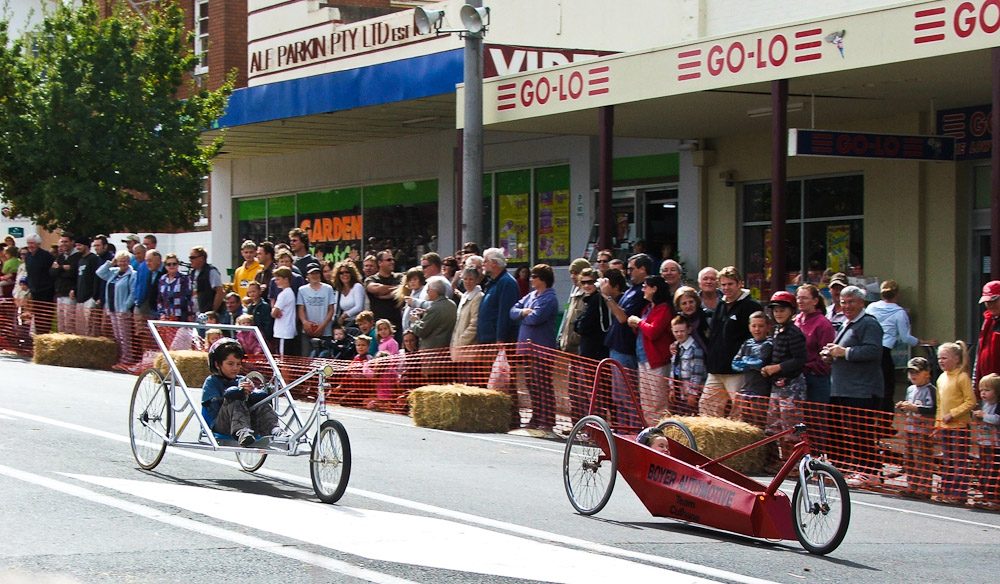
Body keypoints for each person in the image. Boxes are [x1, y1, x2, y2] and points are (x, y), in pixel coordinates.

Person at [822, 284, 885, 488]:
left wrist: (844, 352)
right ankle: (853, 469)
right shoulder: (846, 323)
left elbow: (874, 351)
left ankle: (870, 472)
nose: (846, 306)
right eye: (843, 302)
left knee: (862, 432)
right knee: (846, 431)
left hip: (862, 390)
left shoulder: (869, 323)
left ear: (861, 303)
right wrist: (831, 354)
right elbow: (842, 350)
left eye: (851, 302)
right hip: (843, 388)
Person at [202, 338, 288, 447]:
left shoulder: (242, 379)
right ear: (217, 364)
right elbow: (212, 407)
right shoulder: (212, 381)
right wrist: (236, 393)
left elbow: (256, 398)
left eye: (238, 364)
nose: (235, 368)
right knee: (234, 396)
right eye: (230, 364)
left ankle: (275, 430)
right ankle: (242, 432)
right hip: (220, 424)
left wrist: (253, 393)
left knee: (261, 399)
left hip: (249, 422)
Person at [700, 266, 762, 419]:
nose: (726, 288)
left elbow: (756, 338)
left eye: (730, 284)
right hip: (715, 369)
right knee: (706, 406)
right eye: (723, 284)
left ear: (740, 283)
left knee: (740, 412)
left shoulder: (751, 306)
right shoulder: (720, 304)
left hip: (737, 371)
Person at [866, 279, 934, 412]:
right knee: (887, 388)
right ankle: (886, 423)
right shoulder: (899, 312)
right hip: (884, 351)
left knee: (870, 387)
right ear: (897, 295)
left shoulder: (871, 307)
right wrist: (922, 342)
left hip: (870, 349)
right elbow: (905, 337)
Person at [603, 253, 652, 427]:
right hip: (616, 347)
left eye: (632, 269)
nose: (628, 272)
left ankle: (631, 431)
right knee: (619, 397)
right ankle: (623, 431)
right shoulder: (631, 289)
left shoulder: (641, 293)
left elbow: (623, 317)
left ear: (643, 269)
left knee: (628, 396)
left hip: (626, 350)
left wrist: (608, 296)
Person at [509, 264, 559, 431]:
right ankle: (536, 415)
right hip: (526, 348)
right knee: (531, 383)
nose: (531, 279)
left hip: (542, 348)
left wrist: (524, 315)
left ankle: (547, 418)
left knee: (543, 383)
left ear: (542, 279)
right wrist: (524, 312)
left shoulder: (550, 298)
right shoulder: (531, 296)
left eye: (534, 277)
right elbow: (513, 311)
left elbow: (536, 318)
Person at [627, 275, 675, 425]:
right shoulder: (648, 308)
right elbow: (645, 331)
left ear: (654, 289)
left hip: (656, 361)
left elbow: (653, 332)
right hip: (643, 358)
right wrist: (637, 325)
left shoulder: (664, 308)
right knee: (646, 402)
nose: (643, 289)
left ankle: (661, 434)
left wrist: (638, 322)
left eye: (645, 286)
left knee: (658, 402)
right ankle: (650, 433)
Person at [760, 291, 807, 439]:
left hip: (792, 386)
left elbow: (800, 359)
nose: (778, 313)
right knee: (774, 427)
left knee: (791, 429)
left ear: (792, 311)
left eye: (782, 310)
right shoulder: (776, 330)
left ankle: (796, 460)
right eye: (775, 310)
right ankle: (779, 460)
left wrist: (776, 368)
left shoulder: (794, 332)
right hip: (777, 385)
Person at [934, 341, 976, 503]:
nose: (941, 361)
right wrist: (938, 424)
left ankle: (959, 494)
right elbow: (939, 404)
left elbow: (970, 401)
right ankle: (947, 490)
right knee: (948, 460)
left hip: (959, 427)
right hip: (945, 428)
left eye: (945, 358)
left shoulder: (962, 377)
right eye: (939, 358)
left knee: (959, 461)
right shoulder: (941, 378)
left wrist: (953, 414)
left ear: (957, 359)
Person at [895, 357, 937, 499]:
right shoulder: (910, 389)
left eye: (917, 372)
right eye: (911, 372)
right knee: (910, 459)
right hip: (910, 429)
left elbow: (932, 409)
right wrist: (903, 407)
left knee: (922, 460)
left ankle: (924, 488)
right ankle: (912, 485)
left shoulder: (930, 390)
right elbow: (909, 407)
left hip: (923, 432)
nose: (913, 375)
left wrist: (915, 408)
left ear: (927, 373)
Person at [730, 311, 772, 428]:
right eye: (754, 326)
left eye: (761, 326)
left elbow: (760, 362)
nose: (757, 329)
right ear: (749, 327)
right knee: (743, 423)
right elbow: (735, 364)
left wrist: (746, 360)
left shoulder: (769, 344)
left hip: (761, 392)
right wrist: (749, 361)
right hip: (746, 390)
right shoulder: (747, 343)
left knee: (760, 425)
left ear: (768, 327)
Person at [96, 251, 136, 362]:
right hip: (112, 309)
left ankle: (127, 358)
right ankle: (120, 357)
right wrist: (110, 263)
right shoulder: (113, 272)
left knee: (125, 336)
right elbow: (99, 272)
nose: (122, 263)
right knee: (117, 336)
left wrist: (125, 307)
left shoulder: (132, 274)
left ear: (129, 261)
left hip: (122, 311)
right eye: (120, 260)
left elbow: (133, 293)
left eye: (125, 260)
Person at [478, 248, 520, 344]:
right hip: (486, 339)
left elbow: (505, 312)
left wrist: (501, 338)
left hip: (497, 342)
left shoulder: (507, 283)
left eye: (485, 261)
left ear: (494, 263)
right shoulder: (492, 282)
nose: (483, 264)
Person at [973, 373, 1000, 508]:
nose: (983, 393)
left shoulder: (997, 406)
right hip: (983, 442)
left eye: (987, 390)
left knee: (993, 471)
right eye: (981, 390)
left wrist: (984, 416)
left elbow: (996, 419)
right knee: (983, 469)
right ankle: (985, 494)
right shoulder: (984, 405)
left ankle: (993, 497)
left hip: (994, 445)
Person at [670, 315, 706, 415]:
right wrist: (672, 388)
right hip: (679, 392)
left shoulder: (695, 348)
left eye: (682, 331)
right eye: (676, 332)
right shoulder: (676, 347)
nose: (679, 334)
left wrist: (693, 393)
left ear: (689, 330)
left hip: (692, 392)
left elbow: (697, 373)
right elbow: (673, 369)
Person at [364, 249, 403, 341]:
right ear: (380, 263)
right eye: (389, 260)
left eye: (392, 259)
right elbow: (375, 289)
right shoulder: (372, 279)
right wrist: (397, 289)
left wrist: (385, 293)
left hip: (397, 326)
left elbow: (406, 290)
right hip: (379, 327)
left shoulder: (399, 277)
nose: (392, 262)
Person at [410, 276, 457, 351]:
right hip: (446, 348)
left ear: (435, 291)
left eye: (428, 290)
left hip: (432, 351)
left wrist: (415, 320)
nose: (427, 292)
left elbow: (421, 331)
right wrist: (425, 313)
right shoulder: (452, 304)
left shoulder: (434, 308)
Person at [297, 263, 335, 353]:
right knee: (307, 357)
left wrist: (322, 326)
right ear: (307, 276)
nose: (315, 276)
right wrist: (305, 322)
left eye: (317, 273)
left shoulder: (328, 288)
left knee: (325, 357)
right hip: (308, 330)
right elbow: (301, 308)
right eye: (312, 273)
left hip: (325, 330)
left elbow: (331, 309)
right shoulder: (302, 290)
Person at [23, 233, 55, 335]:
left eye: (32, 243)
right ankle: (39, 335)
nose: (30, 245)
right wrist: (25, 282)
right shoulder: (28, 256)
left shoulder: (46, 255)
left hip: (46, 289)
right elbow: (29, 272)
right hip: (34, 289)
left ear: (38, 244)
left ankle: (46, 333)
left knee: (46, 314)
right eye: (28, 243)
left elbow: (52, 271)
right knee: (37, 314)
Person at [558, 258, 590, 357]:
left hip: (580, 348)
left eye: (576, 273)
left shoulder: (589, 294)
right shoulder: (574, 290)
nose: (572, 276)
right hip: (569, 347)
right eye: (571, 273)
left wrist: (573, 340)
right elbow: (567, 313)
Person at [450, 268, 483, 361]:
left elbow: (474, 324)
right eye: (465, 279)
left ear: (477, 280)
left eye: (471, 279)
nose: (468, 282)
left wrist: (460, 342)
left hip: (469, 350)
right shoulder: (465, 295)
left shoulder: (478, 297)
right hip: (459, 349)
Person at [51, 234, 79, 334]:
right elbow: (52, 272)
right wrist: (63, 268)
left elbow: (73, 273)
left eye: (66, 241)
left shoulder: (78, 256)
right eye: (62, 242)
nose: (63, 244)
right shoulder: (60, 257)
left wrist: (58, 269)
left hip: (70, 295)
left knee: (70, 324)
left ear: (72, 242)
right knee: (61, 325)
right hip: (59, 294)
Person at [974, 280, 1000, 387]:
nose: (990, 305)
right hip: (988, 388)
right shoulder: (988, 321)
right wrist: (975, 385)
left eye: (994, 300)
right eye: (987, 301)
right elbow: (979, 354)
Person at [673, 286, 710, 354]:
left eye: (691, 302)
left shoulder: (707, 316)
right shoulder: (679, 321)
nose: (688, 306)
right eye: (684, 303)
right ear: (679, 306)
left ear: (696, 302)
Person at [270, 267, 298, 356]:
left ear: (286, 279)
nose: (276, 281)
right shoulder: (289, 293)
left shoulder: (284, 294)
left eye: (278, 279)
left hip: (284, 333)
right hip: (284, 332)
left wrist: (275, 310)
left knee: (283, 359)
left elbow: (273, 313)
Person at [157, 253, 193, 322]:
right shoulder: (162, 279)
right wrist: (161, 314)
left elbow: (189, 297)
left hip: (182, 318)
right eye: (169, 264)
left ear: (178, 265)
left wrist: (190, 314)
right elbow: (160, 299)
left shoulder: (184, 278)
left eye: (174, 264)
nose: (171, 266)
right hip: (166, 318)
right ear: (165, 266)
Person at [189, 246, 224, 314]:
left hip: (207, 314)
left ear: (201, 258)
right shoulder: (193, 273)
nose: (190, 260)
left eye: (192, 257)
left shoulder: (211, 271)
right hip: (195, 313)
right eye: (190, 257)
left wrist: (213, 311)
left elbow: (220, 292)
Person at [331, 260, 365, 328]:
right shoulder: (338, 291)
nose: (344, 275)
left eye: (347, 272)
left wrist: (344, 316)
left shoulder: (357, 286)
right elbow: (335, 310)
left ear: (352, 273)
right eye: (341, 273)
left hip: (359, 324)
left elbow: (359, 307)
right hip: (345, 325)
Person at [398, 267, 427, 333]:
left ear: (421, 279)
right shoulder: (412, 293)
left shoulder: (424, 292)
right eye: (410, 280)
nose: (412, 282)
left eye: (415, 279)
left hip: (415, 330)